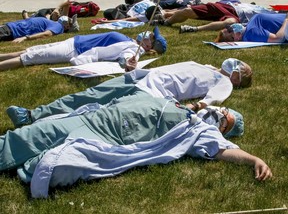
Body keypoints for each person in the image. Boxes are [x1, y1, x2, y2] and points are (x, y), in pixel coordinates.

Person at [0, 94, 272, 198]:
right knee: (25, 137)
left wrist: (254, 159)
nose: (221, 114)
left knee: (52, 164)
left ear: (222, 131)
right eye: (224, 110)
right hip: (93, 117)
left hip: (103, 136)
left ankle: (31, 163)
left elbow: (222, 151)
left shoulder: (198, 131)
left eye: (225, 121)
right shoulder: (180, 105)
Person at [6, 60, 252, 132]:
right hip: (137, 78)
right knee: (86, 95)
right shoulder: (204, 65)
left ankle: (38, 128)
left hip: (151, 94)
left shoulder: (223, 83)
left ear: (237, 80)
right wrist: (137, 69)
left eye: (241, 70)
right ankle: (31, 114)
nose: (236, 65)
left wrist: (197, 104)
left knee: (94, 114)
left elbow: (213, 99)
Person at [0, 27, 167, 72]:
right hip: (74, 41)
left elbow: (128, 58)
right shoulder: (131, 41)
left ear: (148, 46)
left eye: (151, 36)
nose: (148, 34)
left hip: (73, 50)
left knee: (30, 58)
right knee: (29, 50)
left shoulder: (133, 48)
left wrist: (128, 63)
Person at [149, 1, 275, 34]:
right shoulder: (265, 9)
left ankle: (194, 29)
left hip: (237, 18)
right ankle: (165, 22)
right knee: (188, 11)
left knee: (229, 23)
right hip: (227, 7)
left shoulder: (273, 17)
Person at [0, 14, 79, 43]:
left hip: (12, 30)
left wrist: (25, 38)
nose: (69, 18)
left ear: (67, 27)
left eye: (70, 20)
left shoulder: (59, 27)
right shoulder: (53, 23)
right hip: (10, 27)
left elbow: (46, 34)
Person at [215, 13, 288, 43]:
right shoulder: (252, 33)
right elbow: (278, 38)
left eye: (228, 27)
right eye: (230, 30)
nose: (231, 26)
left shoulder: (246, 27)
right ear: (236, 38)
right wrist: (286, 20)